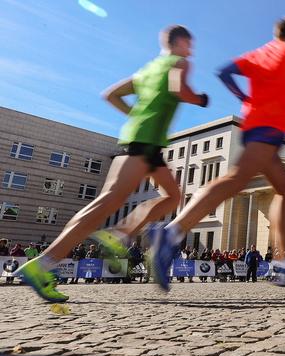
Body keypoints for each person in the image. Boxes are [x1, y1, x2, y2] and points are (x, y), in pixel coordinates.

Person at [15, 25, 209, 302]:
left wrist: (136, 114)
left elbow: (110, 95)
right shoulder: (179, 62)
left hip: (145, 141)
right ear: (180, 42)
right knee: (106, 203)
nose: (192, 49)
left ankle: (119, 233)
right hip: (145, 142)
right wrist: (200, 99)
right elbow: (180, 90)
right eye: (190, 43)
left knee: (172, 196)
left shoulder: (146, 71)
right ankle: (43, 264)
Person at [150, 17, 285, 289]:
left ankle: (281, 263)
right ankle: (172, 232)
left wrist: (243, 97)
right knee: (236, 180)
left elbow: (225, 72)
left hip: (255, 124)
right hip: (269, 127)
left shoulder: (260, 53)